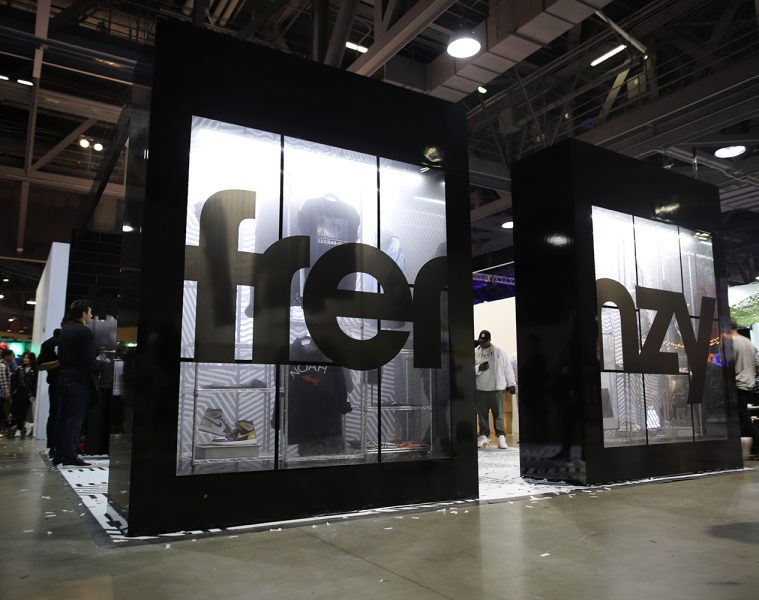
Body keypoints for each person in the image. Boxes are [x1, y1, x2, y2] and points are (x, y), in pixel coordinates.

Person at [52, 300, 99, 467]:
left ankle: (59, 454)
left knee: (63, 417)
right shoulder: (84, 332)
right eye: (90, 312)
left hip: (63, 377)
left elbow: (61, 357)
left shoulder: (65, 331)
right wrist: (97, 369)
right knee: (75, 419)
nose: (91, 315)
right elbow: (89, 359)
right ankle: (70, 455)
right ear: (84, 313)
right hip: (79, 379)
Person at [474, 330, 516, 449]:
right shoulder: (475, 351)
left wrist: (512, 384)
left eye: (484, 341)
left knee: (498, 415)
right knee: (482, 415)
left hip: (497, 388)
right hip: (480, 388)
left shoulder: (499, 351)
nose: (482, 343)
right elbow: (468, 367)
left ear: (489, 340)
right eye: (480, 341)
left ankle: (501, 437)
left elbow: (507, 367)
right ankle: (483, 436)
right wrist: (478, 368)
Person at [730, 319, 759, 456]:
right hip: (749, 384)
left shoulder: (731, 343)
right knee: (743, 413)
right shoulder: (747, 342)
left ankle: (754, 447)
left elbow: (725, 363)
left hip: (737, 383)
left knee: (742, 415)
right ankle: (751, 447)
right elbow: (756, 363)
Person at [38, 326, 64, 457]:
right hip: (65, 384)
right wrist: (60, 362)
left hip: (55, 384)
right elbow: (40, 366)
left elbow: (40, 366)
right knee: (63, 416)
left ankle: (52, 446)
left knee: (54, 414)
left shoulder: (47, 343)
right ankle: (61, 446)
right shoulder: (51, 344)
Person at [8, 352, 38, 437]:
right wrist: (13, 390)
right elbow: (14, 380)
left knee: (23, 411)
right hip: (18, 392)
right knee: (15, 410)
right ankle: (24, 425)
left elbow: (35, 383)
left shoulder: (35, 370)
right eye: (24, 357)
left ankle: (20, 429)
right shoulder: (19, 369)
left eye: (27, 358)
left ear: (31, 359)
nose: (25, 359)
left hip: (28, 394)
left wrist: (33, 394)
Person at [0, 348, 15, 434]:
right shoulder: (2, 366)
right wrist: (7, 392)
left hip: (2, 393)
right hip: (1, 394)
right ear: (7, 356)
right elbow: (3, 380)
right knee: (1, 411)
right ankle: (1, 429)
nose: (12, 358)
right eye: (11, 356)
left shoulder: (5, 365)